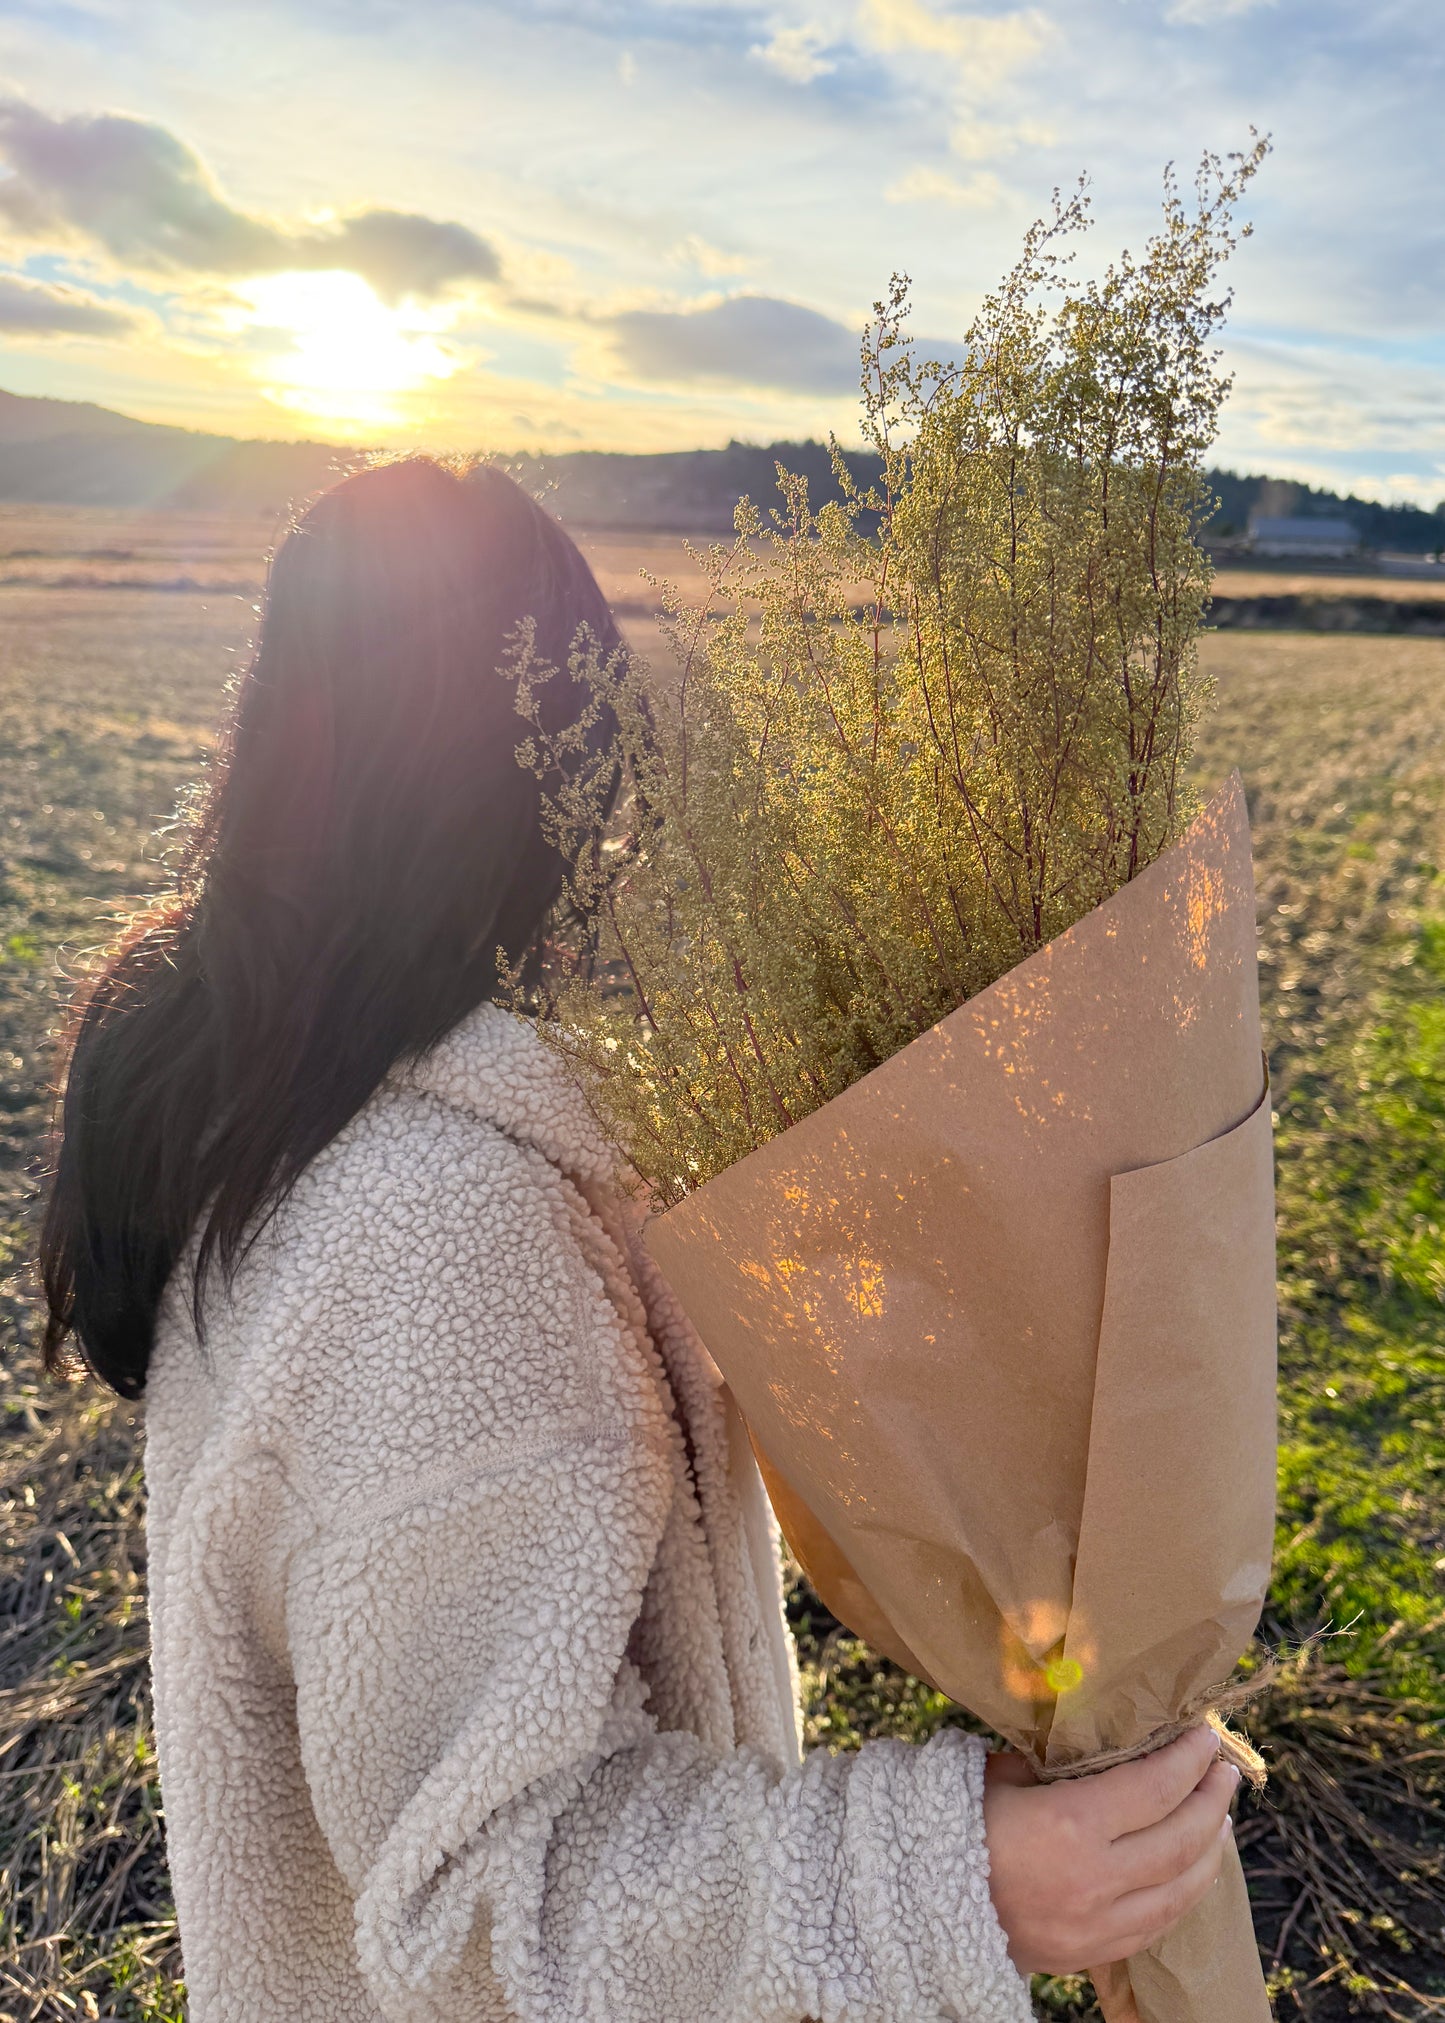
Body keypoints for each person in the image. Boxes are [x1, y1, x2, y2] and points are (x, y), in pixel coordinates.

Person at [40, 458, 1240, 2023]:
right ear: (545, 759)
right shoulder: (440, 1230)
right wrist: (950, 1877)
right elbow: (483, 1907)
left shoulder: (283, 1104)